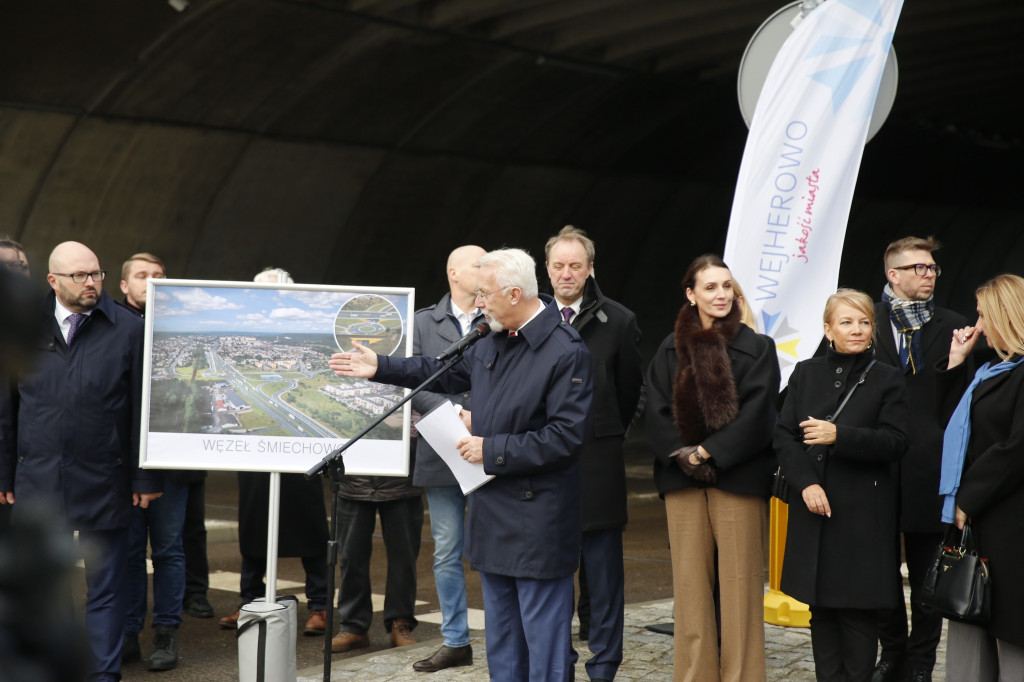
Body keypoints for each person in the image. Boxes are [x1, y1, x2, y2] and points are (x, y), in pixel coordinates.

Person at [330, 248, 593, 681]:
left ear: (514, 293)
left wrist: (491, 450)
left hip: (538, 520)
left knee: (545, 645)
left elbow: (566, 437)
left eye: (484, 294)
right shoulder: (490, 338)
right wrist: (380, 366)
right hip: (492, 514)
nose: (478, 303)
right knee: (502, 641)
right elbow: (441, 371)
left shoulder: (565, 350)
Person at [0, 241, 163, 682]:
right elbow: (7, 407)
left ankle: (104, 675)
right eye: (79, 276)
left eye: (96, 273)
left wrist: (144, 476)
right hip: (39, 476)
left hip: (105, 477)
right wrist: (4, 471)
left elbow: (143, 409)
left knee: (106, 587)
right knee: (47, 587)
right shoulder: (24, 326)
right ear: (53, 281)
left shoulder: (128, 329)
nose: (91, 282)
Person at [643, 254, 780, 682]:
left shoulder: (757, 347)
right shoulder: (669, 349)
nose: (721, 294)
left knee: (740, 587)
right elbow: (654, 410)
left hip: (738, 478)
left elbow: (759, 416)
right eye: (710, 287)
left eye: (727, 287)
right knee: (690, 589)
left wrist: (707, 453)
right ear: (691, 295)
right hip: (681, 479)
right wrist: (683, 456)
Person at [776, 288, 909, 682]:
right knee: (821, 610)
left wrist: (840, 435)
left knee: (857, 613)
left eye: (865, 322)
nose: (857, 329)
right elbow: (784, 435)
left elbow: (897, 442)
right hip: (813, 508)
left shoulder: (888, 378)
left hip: (862, 516)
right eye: (847, 322)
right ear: (827, 329)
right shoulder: (805, 373)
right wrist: (805, 484)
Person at [545, 226, 642, 682]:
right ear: (547, 270)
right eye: (558, 266)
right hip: (545, 466)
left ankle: (604, 667)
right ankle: (557, 664)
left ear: (590, 270)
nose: (566, 274)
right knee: (552, 577)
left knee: (603, 577)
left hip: (599, 466)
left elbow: (630, 393)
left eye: (575, 265)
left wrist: (604, 432)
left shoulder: (618, 321)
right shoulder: (531, 318)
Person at [872, 237, 969, 682]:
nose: (929, 275)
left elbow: (966, 402)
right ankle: (890, 652)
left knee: (929, 573)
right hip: (876, 467)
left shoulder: (954, 325)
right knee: (880, 571)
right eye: (919, 268)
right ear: (893, 275)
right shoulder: (864, 320)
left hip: (931, 468)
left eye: (932, 268)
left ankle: (921, 663)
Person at [220, 267, 331, 637]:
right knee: (254, 527)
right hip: (256, 453)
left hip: (299, 454)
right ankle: (249, 601)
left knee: (311, 527)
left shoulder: (293, 332)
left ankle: (320, 606)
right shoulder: (240, 335)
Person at [936, 273, 1024, 680]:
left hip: (1009, 520)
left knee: (1011, 627)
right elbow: (956, 427)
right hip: (980, 521)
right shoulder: (991, 369)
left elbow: (1016, 448)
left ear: (1007, 315)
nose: (979, 325)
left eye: (984, 315)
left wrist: (966, 498)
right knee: (970, 614)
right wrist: (957, 362)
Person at [407, 245, 485, 673]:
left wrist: (482, 415)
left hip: (491, 445)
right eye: (478, 264)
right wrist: (455, 413)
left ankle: (508, 633)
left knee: (496, 549)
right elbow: (413, 380)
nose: (485, 269)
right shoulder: (423, 322)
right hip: (441, 450)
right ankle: (456, 641)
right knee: (447, 551)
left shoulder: (498, 316)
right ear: (454, 272)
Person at [116, 252, 194, 670]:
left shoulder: (180, 328)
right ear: (124, 285)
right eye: (141, 275)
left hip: (170, 464)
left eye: (158, 275)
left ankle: (166, 632)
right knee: (128, 551)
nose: (150, 281)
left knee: (168, 550)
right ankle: (129, 632)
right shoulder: (110, 327)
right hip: (122, 463)